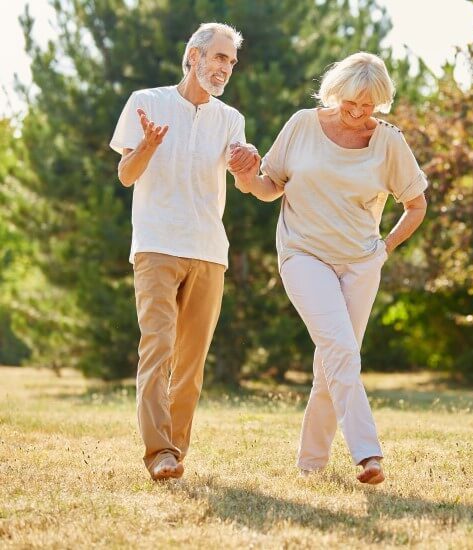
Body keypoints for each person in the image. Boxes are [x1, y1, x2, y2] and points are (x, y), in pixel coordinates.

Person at [229, 52, 428, 484]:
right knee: (340, 348)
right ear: (334, 93)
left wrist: (385, 249)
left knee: (331, 362)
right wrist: (245, 177)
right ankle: (367, 453)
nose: (357, 114)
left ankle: (312, 463)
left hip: (361, 263)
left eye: (367, 107)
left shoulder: (389, 140)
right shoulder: (303, 124)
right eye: (350, 104)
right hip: (304, 254)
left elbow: (416, 205)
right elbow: (268, 188)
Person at [109, 23, 256, 480]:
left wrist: (248, 162)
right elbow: (126, 175)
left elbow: (243, 178)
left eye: (230, 61)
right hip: (156, 245)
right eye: (218, 57)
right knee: (158, 348)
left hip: (209, 250)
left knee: (191, 362)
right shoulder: (146, 102)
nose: (225, 68)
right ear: (192, 55)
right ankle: (158, 453)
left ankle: (175, 450)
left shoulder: (230, 118)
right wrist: (149, 145)